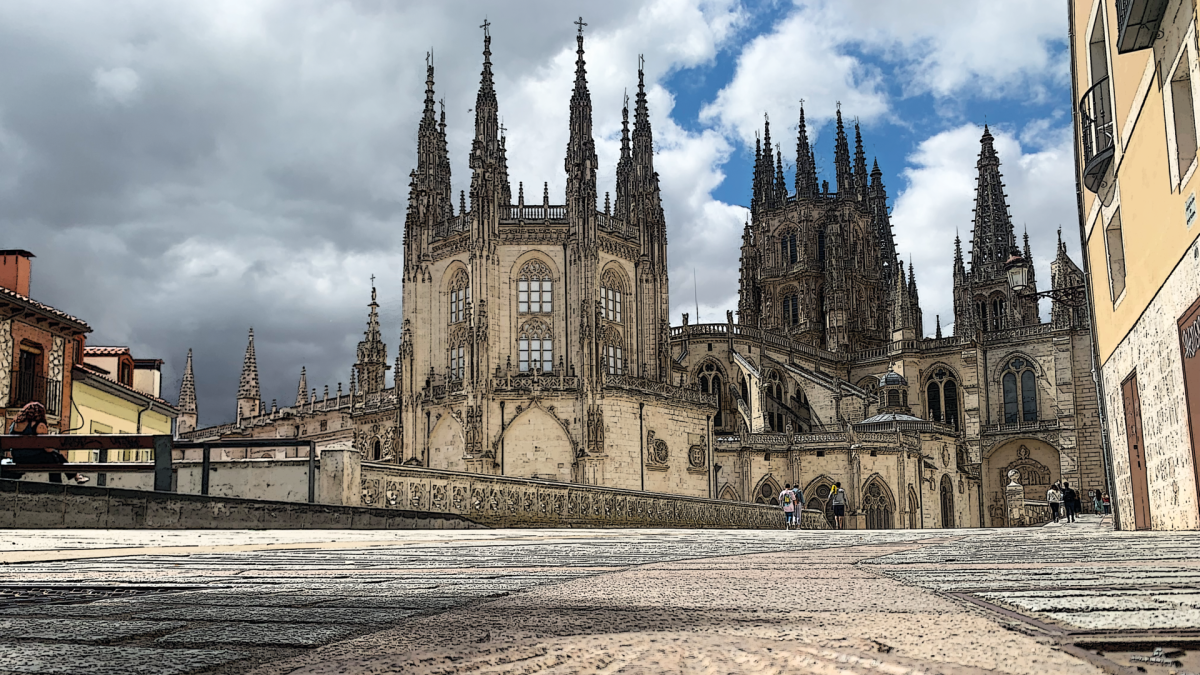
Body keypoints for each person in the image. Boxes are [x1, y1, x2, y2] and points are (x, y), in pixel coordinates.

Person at [8, 402, 87, 485]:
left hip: (18, 459)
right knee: (54, 458)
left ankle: (74, 477)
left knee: (55, 457)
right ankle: (60, 484)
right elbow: (48, 449)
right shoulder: (39, 426)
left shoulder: (14, 424)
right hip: (32, 458)